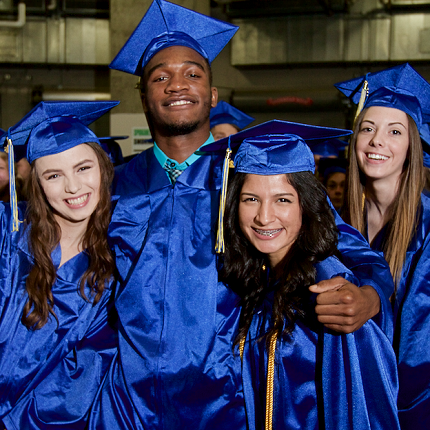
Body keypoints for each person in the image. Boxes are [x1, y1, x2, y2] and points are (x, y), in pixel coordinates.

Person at [86, 1, 395, 428]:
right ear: (143, 96)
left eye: (193, 73)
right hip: (127, 405)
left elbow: (357, 253)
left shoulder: (257, 177)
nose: (177, 85)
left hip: (228, 399)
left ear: (213, 95)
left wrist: (370, 296)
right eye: (161, 77)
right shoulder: (112, 188)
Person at [216, 120, 399, 429]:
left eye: (283, 199)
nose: (264, 216)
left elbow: (360, 414)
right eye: (251, 199)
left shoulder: (331, 293)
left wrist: (371, 295)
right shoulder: (247, 278)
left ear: (307, 204)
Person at [0, 100, 119, 429]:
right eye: (54, 175)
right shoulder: (8, 244)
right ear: (37, 185)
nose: (73, 187)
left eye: (83, 168)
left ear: (102, 167)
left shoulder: (124, 252)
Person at [336, 62, 430, 429]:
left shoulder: (425, 227)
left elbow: (421, 345)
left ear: (412, 146)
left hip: (409, 406)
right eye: (368, 128)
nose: (377, 141)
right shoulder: (340, 224)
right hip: (351, 396)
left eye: (395, 131)